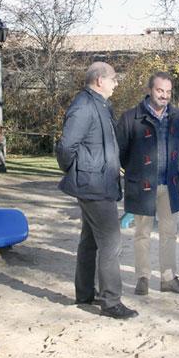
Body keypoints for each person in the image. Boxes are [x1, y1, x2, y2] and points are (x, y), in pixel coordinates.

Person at [57, 62, 138, 320]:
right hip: (94, 186)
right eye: (113, 79)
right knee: (111, 244)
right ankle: (111, 302)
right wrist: (78, 171)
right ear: (100, 81)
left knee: (89, 240)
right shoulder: (83, 106)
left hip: (99, 183)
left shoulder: (99, 105)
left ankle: (84, 294)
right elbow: (66, 147)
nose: (116, 83)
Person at [117, 71, 179, 296]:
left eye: (168, 91)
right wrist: (136, 172)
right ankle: (143, 278)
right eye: (160, 90)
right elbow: (121, 153)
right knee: (142, 232)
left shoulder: (177, 116)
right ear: (150, 89)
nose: (164, 95)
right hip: (142, 186)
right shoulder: (131, 117)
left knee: (170, 233)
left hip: (169, 184)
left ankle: (168, 278)